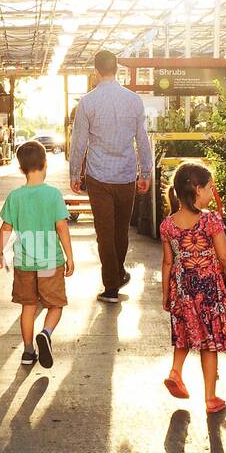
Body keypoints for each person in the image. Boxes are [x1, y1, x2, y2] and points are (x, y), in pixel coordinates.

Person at [160, 162, 226, 413]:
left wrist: (166, 293)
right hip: (208, 290)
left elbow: (168, 262)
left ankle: (176, 371)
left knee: (184, 333)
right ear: (198, 190)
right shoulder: (210, 220)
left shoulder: (168, 224)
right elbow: (225, 256)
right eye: (211, 187)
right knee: (209, 343)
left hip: (181, 288)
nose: (213, 192)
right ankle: (210, 398)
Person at [68, 50, 152, 304]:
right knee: (120, 231)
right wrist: (145, 171)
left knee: (104, 232)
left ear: (95, 71)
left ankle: (111, 287)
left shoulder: (88, 102)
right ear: (117, 69)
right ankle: (117, 273)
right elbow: (142, 139)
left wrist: (75, 173)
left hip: (98, 176)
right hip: (126, 175)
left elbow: (79, 141)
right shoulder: (134, 100)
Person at [0, 140, 74, 368]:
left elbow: (6, 228)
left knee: (28, 307)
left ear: (20, 169)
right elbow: (61, 228)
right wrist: (70, 257)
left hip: (25, 262)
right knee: (55, 305)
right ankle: (46, 333)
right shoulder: (53, 195)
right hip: (50, 261)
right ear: (45, 163)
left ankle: (28, 352)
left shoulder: (15, 197)